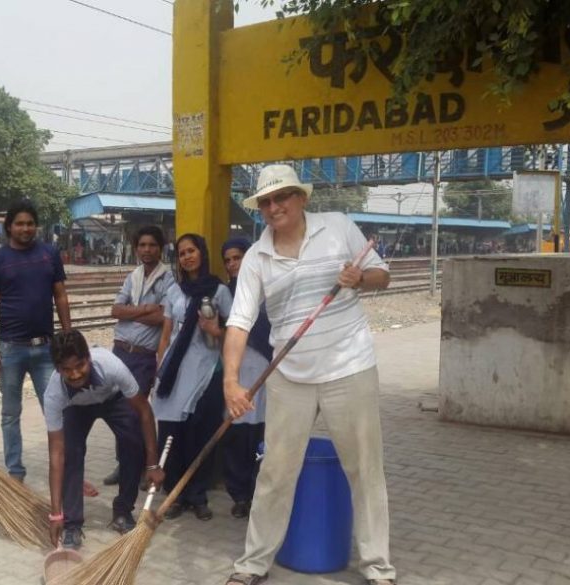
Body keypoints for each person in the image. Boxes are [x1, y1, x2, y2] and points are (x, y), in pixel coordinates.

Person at [222, 164, 395, 585]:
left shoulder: (337, 227)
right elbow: (239, 322)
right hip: (289, 375)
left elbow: (382, 275)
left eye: (282, 197)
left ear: (301, 198)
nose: (274, 206)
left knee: (364, 470)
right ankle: (252, 565)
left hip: (349, 367)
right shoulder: (257, 257)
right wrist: (230, 381)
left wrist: (359, 279)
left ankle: (378, 567)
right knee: (276, 473)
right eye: (265, 201)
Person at [44, 331, 164, 550]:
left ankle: (123, 511)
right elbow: (56, 455)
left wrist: (153, 464)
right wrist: (55, 514)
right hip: (76, 408)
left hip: (113, 398)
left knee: (132, 443)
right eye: (66, 370)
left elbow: (145, 411)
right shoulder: (54, 394)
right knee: (70, 454)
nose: (74, 375)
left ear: (88, 358)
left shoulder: (111, 366)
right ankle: (71, 524)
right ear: (57, 369)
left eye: (79, 365)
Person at [0, 200, 72, 481]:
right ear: (9, 226)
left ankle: (64, 467)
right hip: (10, 349)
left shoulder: (49, 254)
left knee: (55, 409)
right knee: (10, 413)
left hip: (45, 348)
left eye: (30, 223)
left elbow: (60, 296)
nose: (25, 228)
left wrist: (68, 335)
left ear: (36, 226)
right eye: (19, 223)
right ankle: (15, 471)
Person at [153, 233, 231, 521]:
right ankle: (174, 495)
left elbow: (233, 334)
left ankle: (197, 495)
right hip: (175, 373)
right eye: (182, 253)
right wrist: (160, 372)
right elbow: (166, 336)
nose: (187, 257)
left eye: (192, 251)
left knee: (201, 434)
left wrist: (214, 331)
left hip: (206, 371)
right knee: (173, 435)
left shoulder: (219, 291)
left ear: (202, 253)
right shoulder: (175, 292)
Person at [102, 225, 174, 486]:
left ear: (161, 248)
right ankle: (124, 464)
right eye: (142, 245)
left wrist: (131, 311)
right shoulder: (133, 276)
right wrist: (145, 309)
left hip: (143, 357)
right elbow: (115, 310)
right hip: (120, 352)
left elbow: (164, 316)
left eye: (152, 245)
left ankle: (144, 467)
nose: (147, 250)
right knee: (118, 411)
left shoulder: (169, 280)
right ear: (136, 248)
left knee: (138, 412)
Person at [220, 238, 269, 520]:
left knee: (262, 439)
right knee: (238, 437)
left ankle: (259, 494)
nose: (232, 264)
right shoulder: (226, 293)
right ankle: (239, 495)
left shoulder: (266, 289)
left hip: (267, 373)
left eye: (237, 257)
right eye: (227, 260)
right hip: (237, 375)